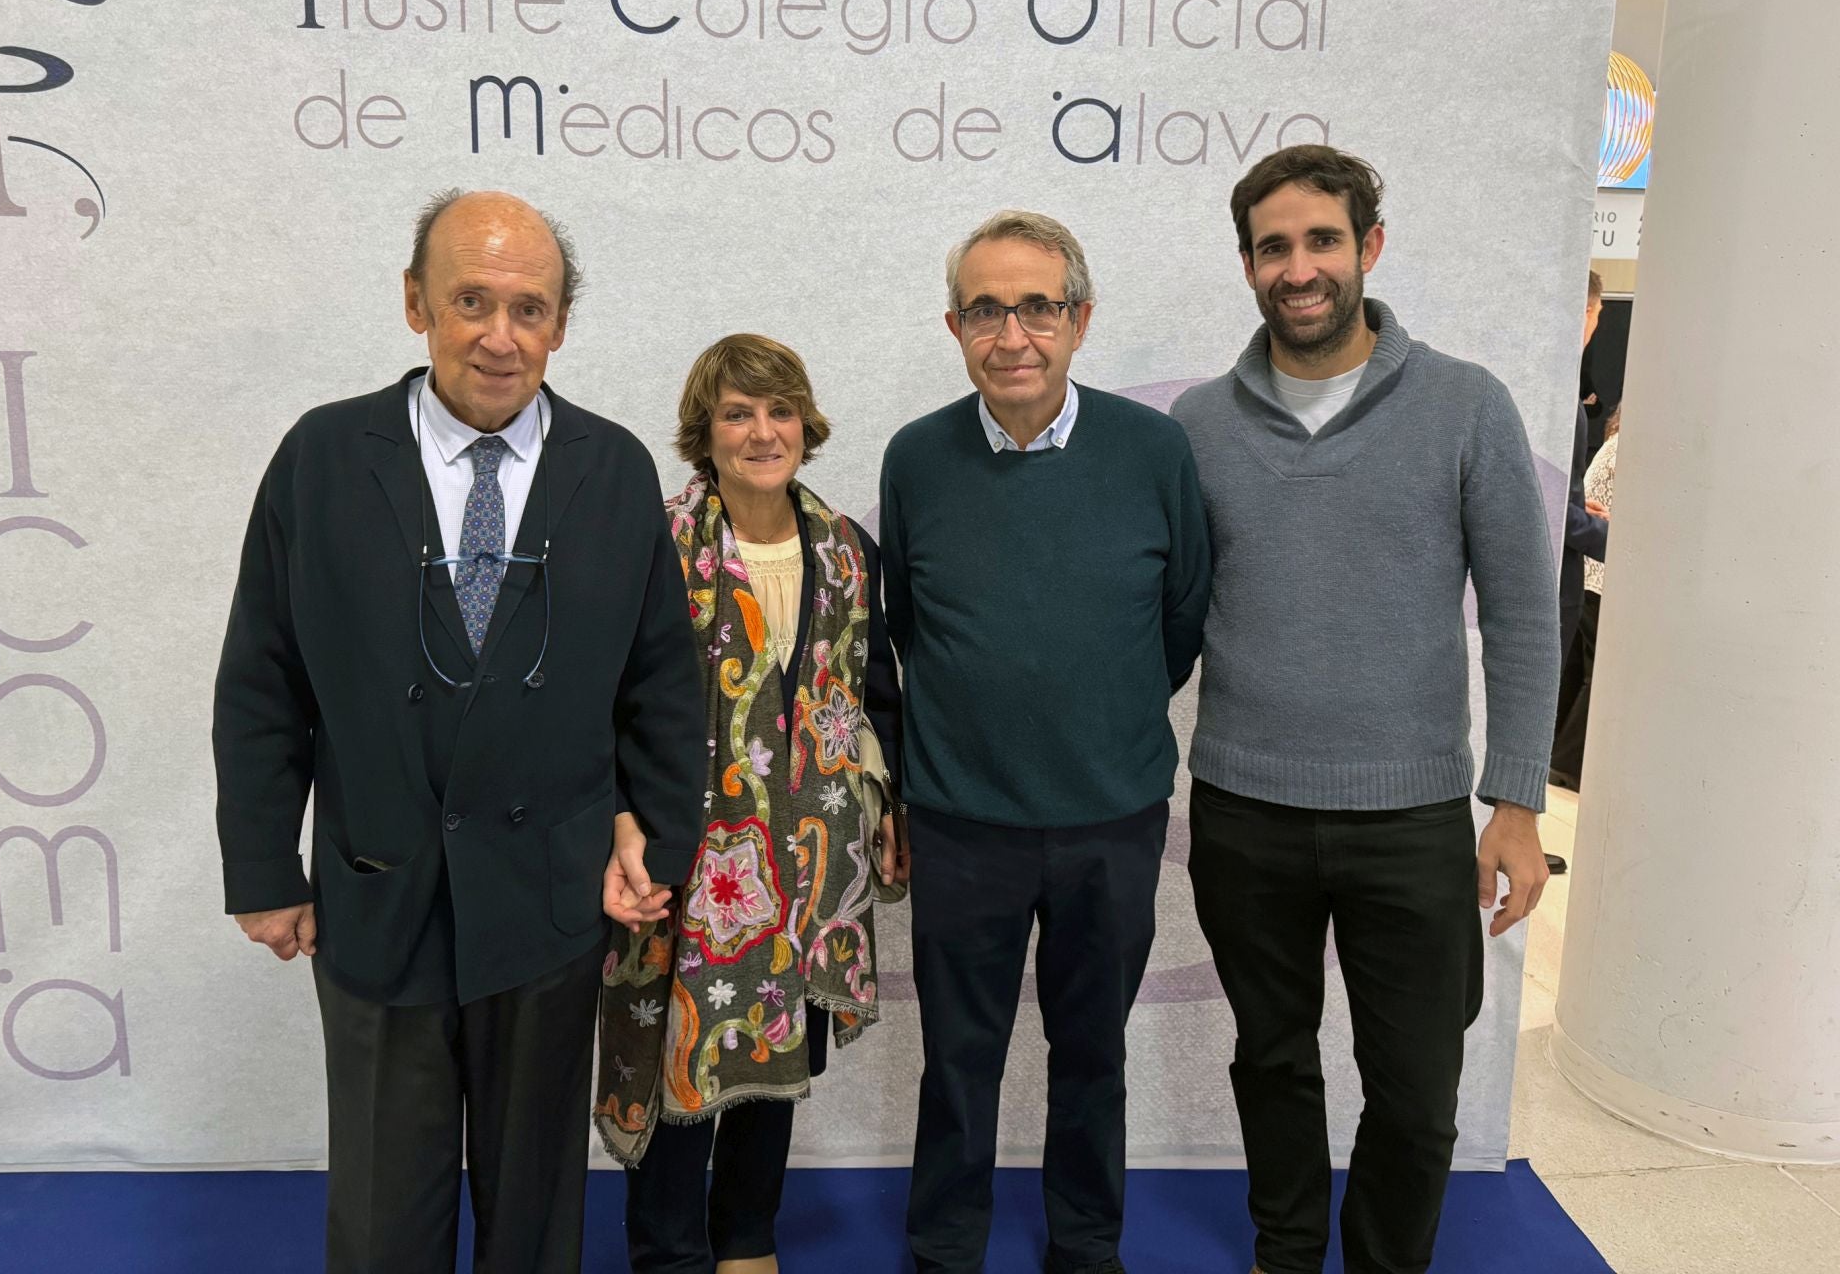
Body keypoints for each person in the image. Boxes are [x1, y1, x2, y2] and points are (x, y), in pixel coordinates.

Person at [212, 189, 706, 1274]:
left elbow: (665, 684)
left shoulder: (614, 470)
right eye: (470, 301)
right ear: (414, 304)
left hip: (548, 893)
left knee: (535, 1212)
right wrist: (261, 865)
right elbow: (262, 675)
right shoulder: (325, 457)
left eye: (529, 309)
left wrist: (655, 840)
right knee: (387, 1211)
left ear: (561, 326)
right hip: (376, 881)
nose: (499, 335)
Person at [1170, 146, 1560, 1274]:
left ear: (1368, 248)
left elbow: (1527, 620)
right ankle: (1286, 1254)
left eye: (1322, 240)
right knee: (1272, 1058)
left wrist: (1518, 802)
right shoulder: (1197, 425)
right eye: (1275, 246)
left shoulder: (1464, 404)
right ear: (1248, 265)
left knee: (1419, 1090)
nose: (1300, 268)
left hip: (1414, 817)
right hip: (1244, 807)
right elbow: (1165, 612)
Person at [881, 211, 1212, 1274]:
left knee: (1093, 1057)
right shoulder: (916, 458)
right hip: (961, 821)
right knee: (958, 1059)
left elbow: (1180, 622)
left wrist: (1091, 713)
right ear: (954, 325)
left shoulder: (1154, 451)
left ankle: (1085, 1245)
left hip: (1109, 821)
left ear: (1079, 318)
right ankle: (944, 1247)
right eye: (986, 309)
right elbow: (905, 630)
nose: (1012, 332)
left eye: (1038, 306)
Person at [594, 333, 904, 1274]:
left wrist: (890, 809)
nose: (762, 431)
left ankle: (746, 1239)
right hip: (689, 853)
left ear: (805, 426)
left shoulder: (848, 548)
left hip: (813, 857)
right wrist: (620, 825)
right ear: (706, 431)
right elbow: (603, 697)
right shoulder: (651, 541)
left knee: (778, 1051)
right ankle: (669, 1248)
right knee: (684, 1049)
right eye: (738, 412)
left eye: (778, 412)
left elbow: (872, 690)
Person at [1550, 271, 1611, 793]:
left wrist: (1578, 507)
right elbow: (1555, 514)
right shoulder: (1561, 402)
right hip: (1555, 583)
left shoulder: (1546, 390)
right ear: (1589, 313)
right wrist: (1620, 541)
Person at [1550, 404, 1621, 784]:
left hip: (1580, 575)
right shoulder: (1561, 404)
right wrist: (1620, 542)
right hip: (1588, 576)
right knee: (1592, 676)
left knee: (1575, 675)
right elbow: (1552, 503)